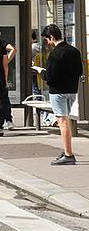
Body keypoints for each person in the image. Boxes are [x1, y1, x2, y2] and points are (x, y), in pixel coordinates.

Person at [39, 24, 83, 165]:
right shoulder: (75, 51)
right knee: (66, 121)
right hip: (72, 90)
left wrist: (42, 72)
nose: (47, 43)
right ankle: (66, 151)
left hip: (58, 92)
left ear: (51, 37)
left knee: (62, 122)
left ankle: (69, 155)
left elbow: (50, 77)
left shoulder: (55, 54)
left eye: (47, 40)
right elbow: (79, 71)